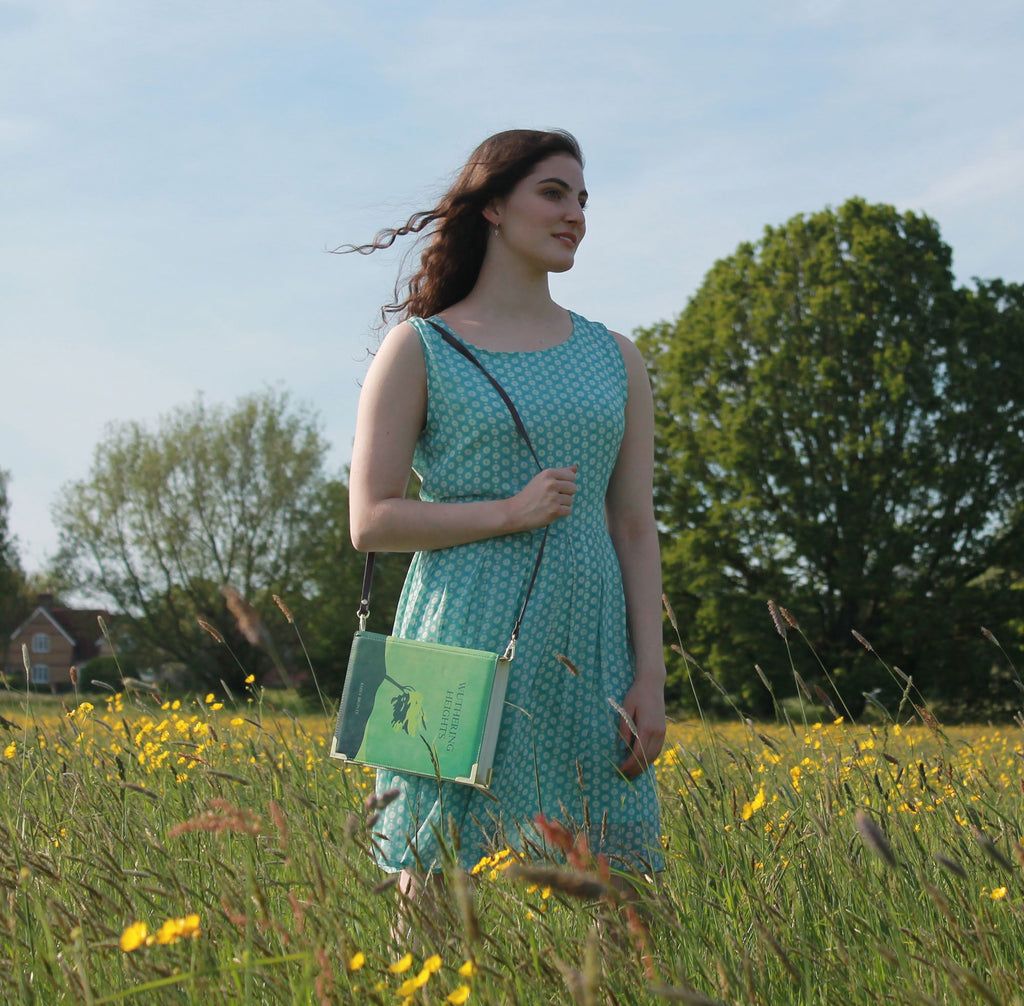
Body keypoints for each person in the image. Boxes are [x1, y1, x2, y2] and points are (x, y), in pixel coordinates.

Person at [345, 129, 666, 898]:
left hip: (590, 650)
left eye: (582, 199)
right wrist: (510, 512)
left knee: (613, 890)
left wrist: (649, 674)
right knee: (427, 884)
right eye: (553, 193)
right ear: (492, 207)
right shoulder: (419, 348)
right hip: (451, 643)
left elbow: (632, 524)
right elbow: (371, 520)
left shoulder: (615, 356)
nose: (575, 214)